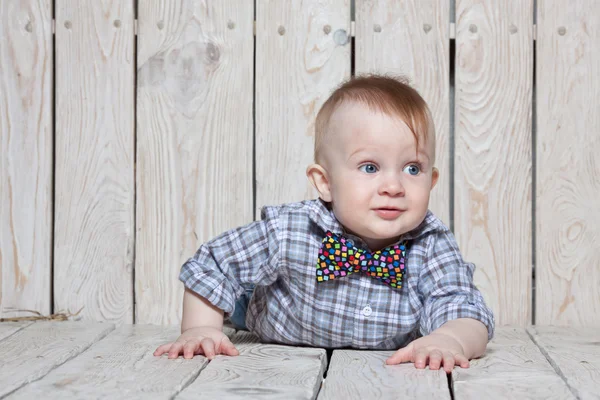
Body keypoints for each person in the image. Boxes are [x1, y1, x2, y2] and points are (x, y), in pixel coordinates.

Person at [154, 74, 494, 373]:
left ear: (432, 181)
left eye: (412, 169)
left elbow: (462, 306)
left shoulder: (432, 243)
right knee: (240, 291)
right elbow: (214, 262)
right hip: (277, 323)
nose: (394, 186)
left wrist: (449, 339)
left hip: (389, 360)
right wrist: (200, 329)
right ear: (325, 182)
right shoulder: (292, 230)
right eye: (370, 168)